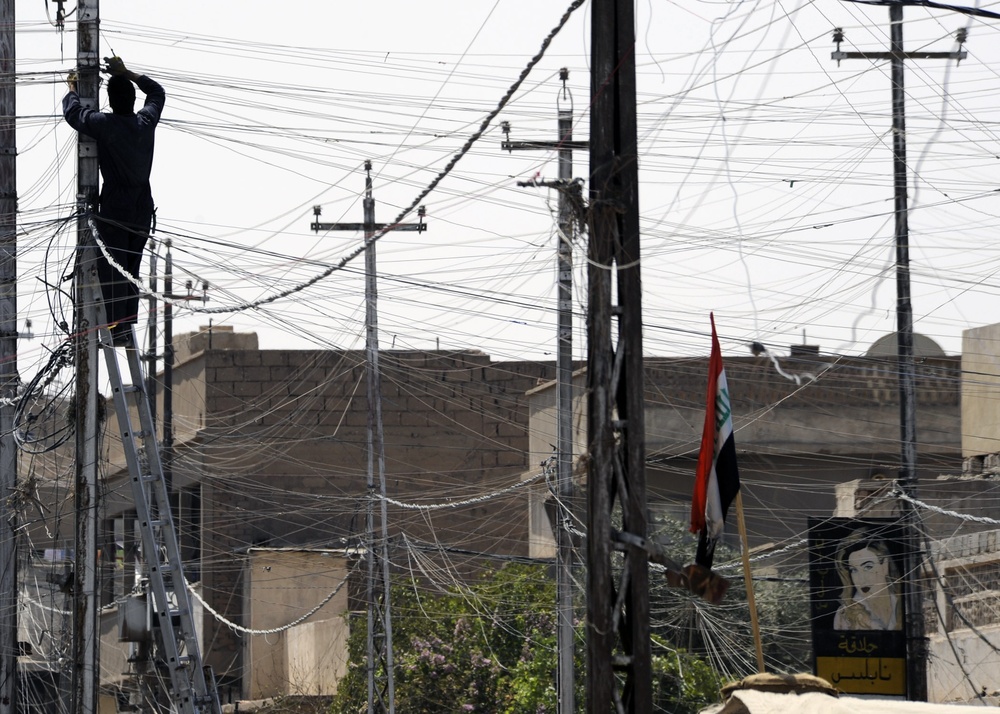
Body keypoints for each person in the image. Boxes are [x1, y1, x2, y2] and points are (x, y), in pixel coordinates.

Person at [63, 56, 165, 346]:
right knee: (131, 268)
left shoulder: (105, 124)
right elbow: (157, 93)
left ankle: (117, 328)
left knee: (113, 269)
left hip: (117, 207)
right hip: (142, 207)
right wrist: (128, 73)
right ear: (133, 100)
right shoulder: (145, 121)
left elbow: (74, 115)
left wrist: (73, 89)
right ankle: (126, 327)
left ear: (109, 100)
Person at [833, 532, 902, 631]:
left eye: (868, 567)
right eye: (854, 570)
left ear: (885, 566)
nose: (861, 579)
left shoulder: (904, 602)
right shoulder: (844, 616)